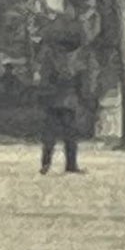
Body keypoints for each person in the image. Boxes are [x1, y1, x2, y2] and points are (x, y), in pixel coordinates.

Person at [36, 13, 86, 175]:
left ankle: (46, 163)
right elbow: (81, 79)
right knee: (70, 134)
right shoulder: (76, 59)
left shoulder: (49, 57)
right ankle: (71, 164)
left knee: (50, 134)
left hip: (52, 98)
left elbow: (44, 78)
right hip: (69, 99)